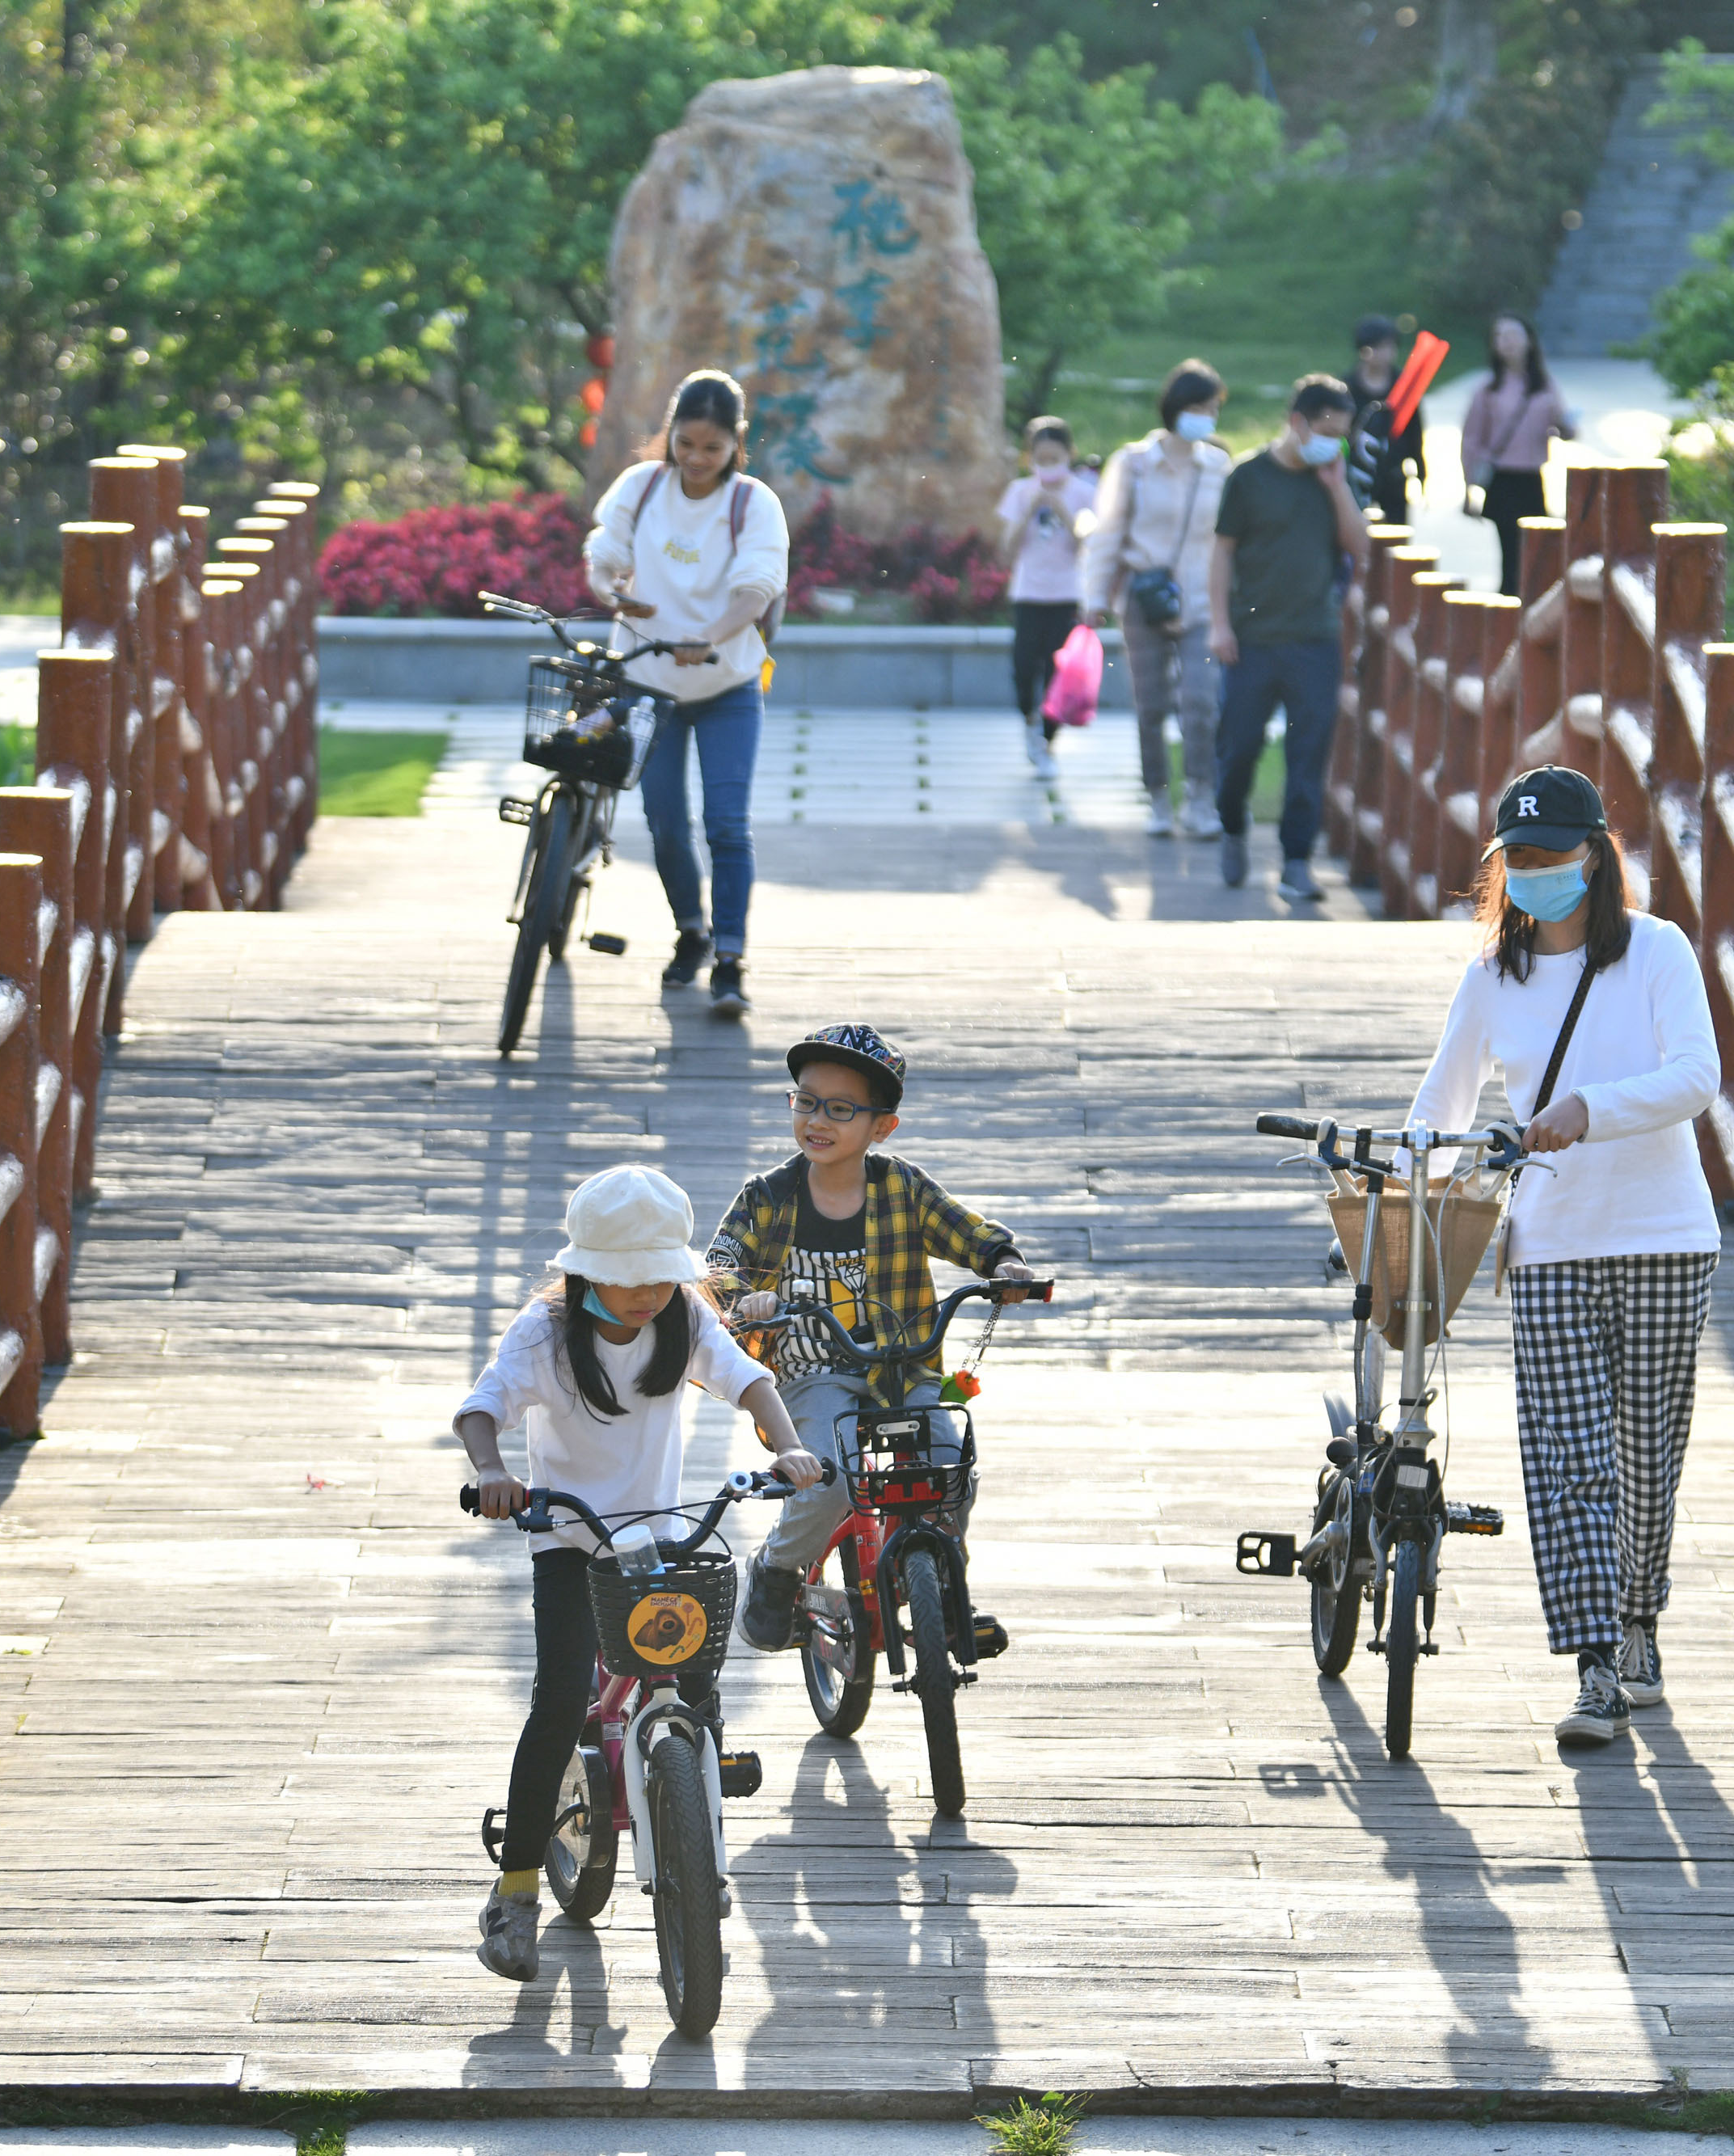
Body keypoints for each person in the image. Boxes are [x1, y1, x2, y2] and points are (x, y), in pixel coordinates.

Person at [1399, 766, 1721, 1751]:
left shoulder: (1658, 953)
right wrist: (1405, 1165)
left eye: (1550, 857)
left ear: (1595, 858)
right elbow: (1438, 1109)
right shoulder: (1490, 979)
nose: (1533, 875)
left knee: (1642, 1457)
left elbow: (1695, 1079)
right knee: (1564, 1458)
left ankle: (1638, 1625)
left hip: (1666, 1236)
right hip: (1550, 1244)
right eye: (1518, 861)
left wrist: (1588, 1112)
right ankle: (1590, 1666)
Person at [456, 1163, 824, 1982]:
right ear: (584, 1270)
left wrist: (787, 1444)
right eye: (629, 1281)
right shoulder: (546, 1331)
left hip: (656, 1536)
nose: (648, 1295)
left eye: (663, 1278)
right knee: (558, 1698)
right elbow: (483, 1409)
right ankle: (514, 1893)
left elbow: (749, 1380)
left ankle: (704, 1851)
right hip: (568, 1538)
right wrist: (491, 1472)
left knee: (696, 1681)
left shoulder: (684, 1318)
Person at [711, 1024, 1033, 1655]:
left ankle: (941, 1579)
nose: (818, 1120)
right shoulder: (768, 1196)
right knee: (829, 1477)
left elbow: (966, 1231)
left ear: (881, 1126)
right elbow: (721, 1264)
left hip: (904, 1367)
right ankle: (777, 1568)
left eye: (841, 1108)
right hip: (812, 1374)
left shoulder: (902, 1189)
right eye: (805, 1101)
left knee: (950, 1462)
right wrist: (739, 1296)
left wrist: (1004, 1263)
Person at [585, 369, 791, 1018]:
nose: (697, 460)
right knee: (665, 821)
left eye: (712, 448)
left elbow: (757, 588)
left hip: (727, 680)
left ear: (737, 443)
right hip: (649, 683)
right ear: (670, 431)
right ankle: (691, 930)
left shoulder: (752, 504)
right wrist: (611, 589)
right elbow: (604, 552)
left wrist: (710, 635)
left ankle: (730, 958)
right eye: (686, 443)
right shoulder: (641, 488)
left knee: (726, 824)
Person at [1209, 374, 1370, 902]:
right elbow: (1222, 551)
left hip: (1314, 639)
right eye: (1326, 429)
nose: (1333, 441)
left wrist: (1338, 486)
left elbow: (1359, 548)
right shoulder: (1249, 477)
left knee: (1308, 755)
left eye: (1342, 433)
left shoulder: (1333, 479)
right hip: (1252, 639)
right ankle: (1232, 826)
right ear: (1297, 422)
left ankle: (1295, 862)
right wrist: (1219, 622)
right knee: (1238, 750)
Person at [1082, 361, 1233, 839]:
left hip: (1201, 601)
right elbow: (1107, 532)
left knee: (1200, 702)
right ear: (1175, 408)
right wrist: (1094, 595)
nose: (1206, 418)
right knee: (1150, 705)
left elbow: (1230, 540)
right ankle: (1158, 797)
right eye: (1198, 408)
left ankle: (1201, 795)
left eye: (1212, 410)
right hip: (1144, 598)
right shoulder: (1134, 464)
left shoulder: (1218, 466)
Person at [998, 416, 1099, 779]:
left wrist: (1061, 509)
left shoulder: (1085, 493)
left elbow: (1086, 543)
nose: (1048, 465)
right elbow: (1006, 549)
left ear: (1069, 454)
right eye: (1041, 458)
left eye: (1055, 457)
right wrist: (1029, 511)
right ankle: (1029, 718)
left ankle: (1047, 741)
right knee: (1024, 667)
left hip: (1066, 595)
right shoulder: (1020, 491)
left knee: (1060, 674)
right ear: (1030, 459)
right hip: (1028, 593)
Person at [1459, 315, 1568, 593]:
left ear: (1529, 340)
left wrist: (1564, 428)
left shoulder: (1545, 385)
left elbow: (1565, 425)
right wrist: (1469, 486)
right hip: (1502, 480)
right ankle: (1508, 617)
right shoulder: (1488, 389)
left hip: (1532, 480)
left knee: (1538, 554)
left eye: (1513, 335)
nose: (1507, 342)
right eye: (1500, 336)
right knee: (1512, 555)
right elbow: (1472, 439)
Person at [1342, 317, 1427, 526]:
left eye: (1390, 347)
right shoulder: (1347, 387)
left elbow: (1415, 432)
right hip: (1357, 475)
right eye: (1378, 347)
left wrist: (1421, 473)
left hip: (1393, 476)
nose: (1384, 354)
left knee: (1395, 538)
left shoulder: (1403, 386)